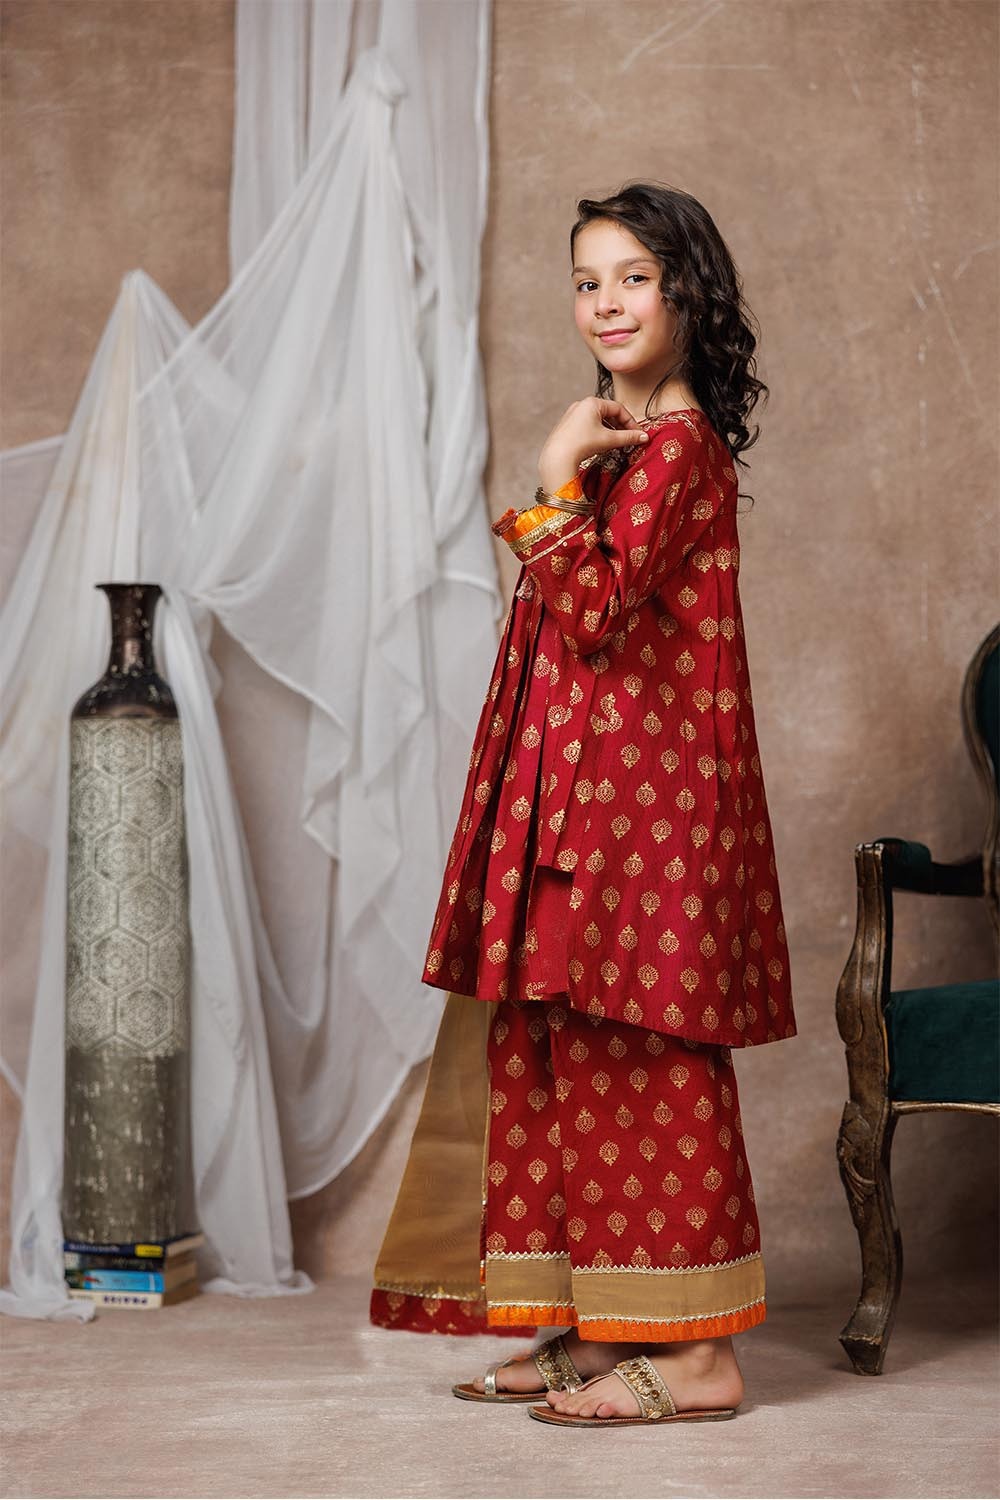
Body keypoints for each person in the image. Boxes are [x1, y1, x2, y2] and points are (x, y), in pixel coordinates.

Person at [370, 180, 797, 1429]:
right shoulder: (634, 445)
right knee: (560, 1057)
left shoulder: (677, 447)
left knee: (646, 1058)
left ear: (687, 295)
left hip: (644, 818)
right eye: (585, 281)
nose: (605, 303)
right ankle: (604, 1330)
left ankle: (699, 1357)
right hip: (580, 809)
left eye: (633, 279)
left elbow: (597, 609)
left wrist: (552, 475)